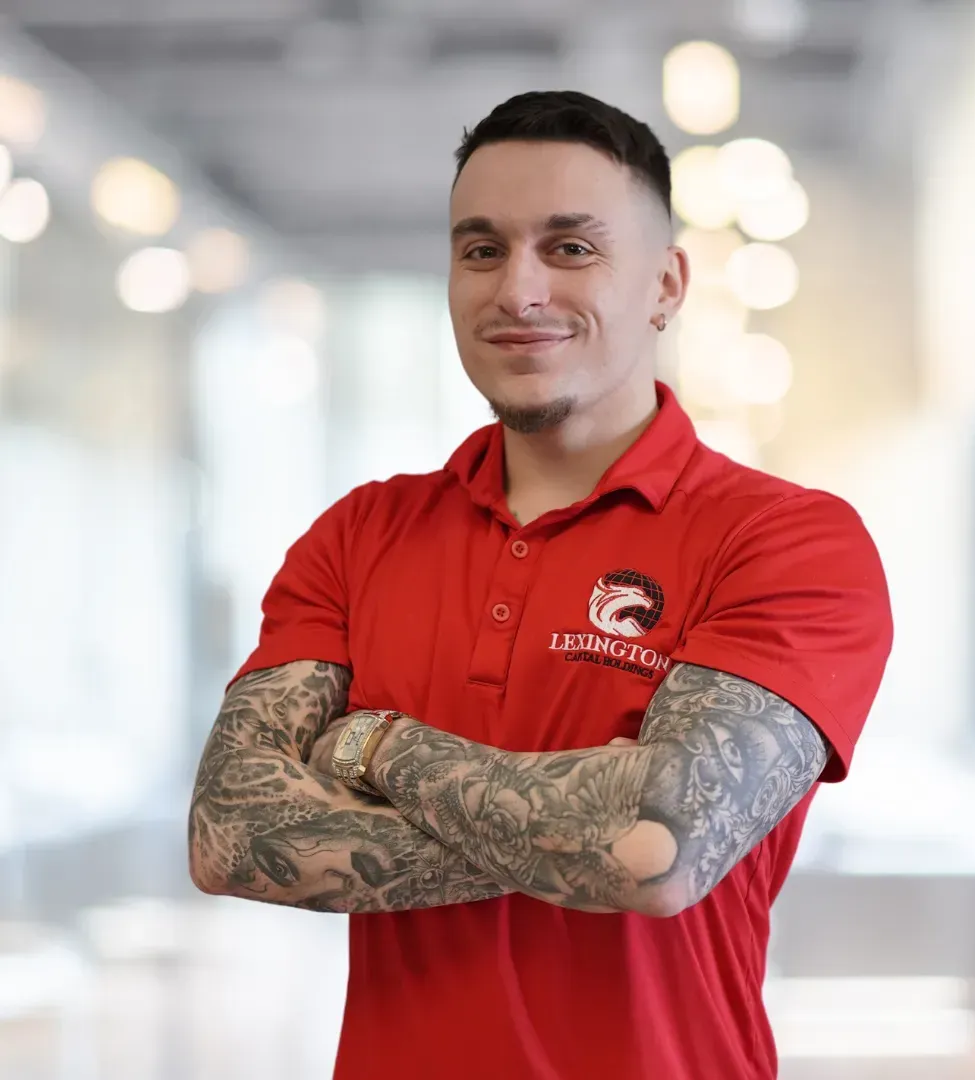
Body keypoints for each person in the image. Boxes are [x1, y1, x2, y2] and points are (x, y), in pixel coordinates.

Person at [188, 90, 892, 1080]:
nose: (517, 289)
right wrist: (588, 829)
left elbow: (662, 848)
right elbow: (230, 835)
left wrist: (377, 745)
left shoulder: (787, 541)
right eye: (481, 250)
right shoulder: (360, 535)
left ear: (666, 284)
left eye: (569, 248)